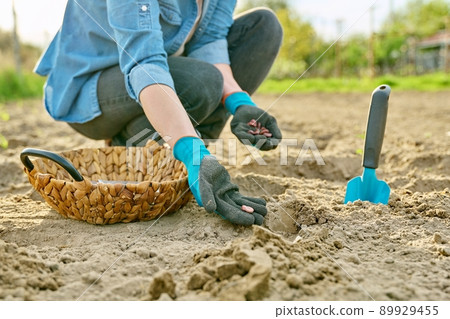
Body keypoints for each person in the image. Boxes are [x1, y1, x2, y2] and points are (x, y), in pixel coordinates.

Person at [35, 0, 283, 226]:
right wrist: (193, 153)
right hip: (92, 87)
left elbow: (209, 42)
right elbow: (145, 62)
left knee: (263, 27)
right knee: (202, 81)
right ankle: (141, 142)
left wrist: (239, 102)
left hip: (158, 70)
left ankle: (186, 154)